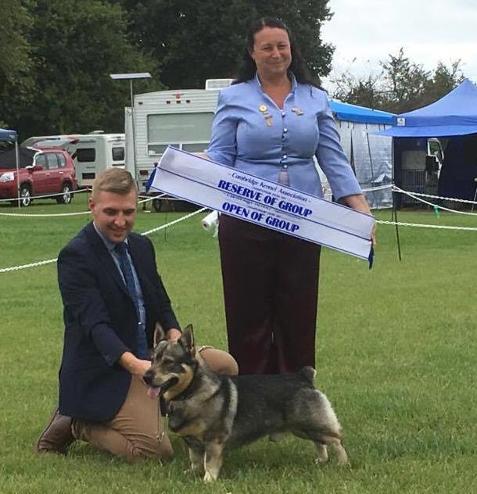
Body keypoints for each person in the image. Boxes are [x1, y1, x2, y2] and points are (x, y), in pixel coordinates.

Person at [206, 17, 374, 376]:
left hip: (303, 221)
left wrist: (359, 208)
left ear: (291, 50)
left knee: (297, 310)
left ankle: (294, 395)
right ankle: (250, 395)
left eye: (282, 45)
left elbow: (332, 157)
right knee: (247, 310)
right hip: (245, 219)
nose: (276, 53)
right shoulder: (232, 98)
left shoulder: (316, 99)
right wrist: (182, 170)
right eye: (266, 47)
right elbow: (219, 157)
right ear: (252, 53)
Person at [36, 168, 238, 461]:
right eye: (111, 212)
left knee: (226, 367)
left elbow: (161, 304)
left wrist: (175, 338)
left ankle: (179, 420)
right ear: (91, 206)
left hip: (152, 357)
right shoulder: (75, 256)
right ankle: (79, 423)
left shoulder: (142, 246)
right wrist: (137, 367)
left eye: (129, 212)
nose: (121, 221)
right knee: (154, 452)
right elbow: (96, 327)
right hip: (108, 369)